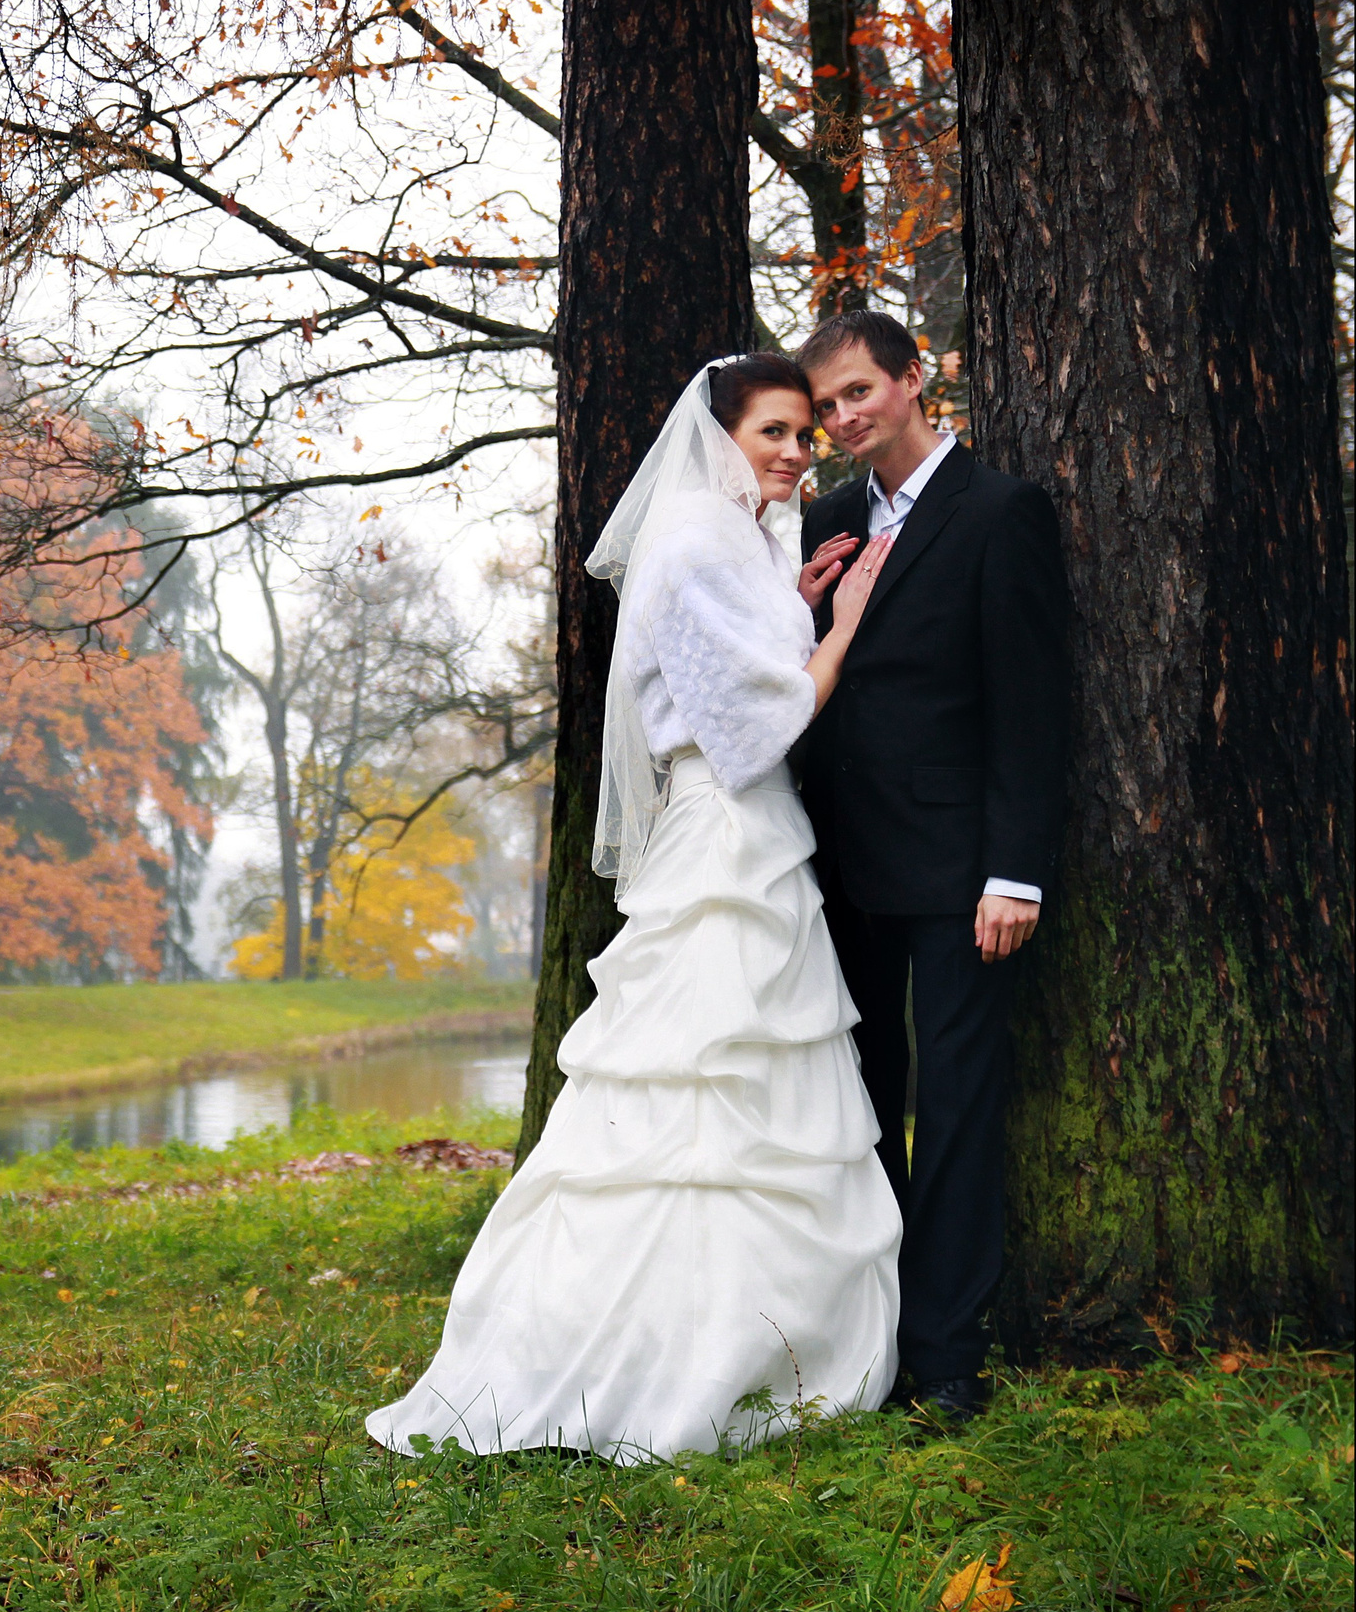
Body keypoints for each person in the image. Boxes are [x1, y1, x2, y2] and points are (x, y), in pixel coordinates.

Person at [367, 355, 903, 1463]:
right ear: (720, 437)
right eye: (775, 431)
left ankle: (751, 1335)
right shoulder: (698, 540)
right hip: (724, 843)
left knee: (740, 1090)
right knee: (702, 1094)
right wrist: (844, 621)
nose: (797, 454)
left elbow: (731, 675)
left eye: (806, 434)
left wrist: (794, 606)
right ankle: (671, 1356)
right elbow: (755, 726)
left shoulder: (740, 540)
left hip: (748, 838)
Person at [795, 312, 1069, 1423]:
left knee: (954, 1110)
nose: (843, 418)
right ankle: (871, 1339)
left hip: (963, 877)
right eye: (825, 407)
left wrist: (1016, 871)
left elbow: (1031, 706)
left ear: (914, 381)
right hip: (835, 867)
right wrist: (799, 604)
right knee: (859, 1105)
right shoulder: (823, 520)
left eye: (859, 391)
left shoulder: (1000, 511)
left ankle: (948, 1359)